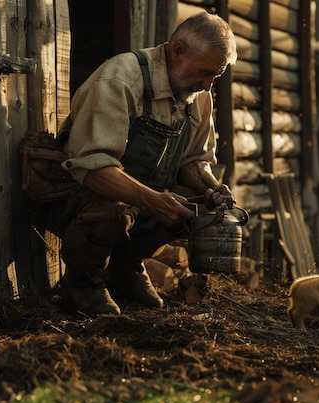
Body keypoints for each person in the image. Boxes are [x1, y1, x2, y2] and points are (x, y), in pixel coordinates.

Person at [52, 11, 238, 316]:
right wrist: (153, 201)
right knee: (110, 212)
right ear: (179, 50)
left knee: (203, 207)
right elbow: (92, 167)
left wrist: (213, 188)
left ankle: (124, 267)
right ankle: (83, 282)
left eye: (215, 77)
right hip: (77, 200)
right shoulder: (121, 79)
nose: (207, 85)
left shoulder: (198, 97)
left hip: (142, 203)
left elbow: (194, 161)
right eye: (205, 73)